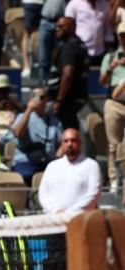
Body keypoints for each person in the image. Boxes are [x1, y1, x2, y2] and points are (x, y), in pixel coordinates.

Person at [38, 128, 101, 213]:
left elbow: (93, 194)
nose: (69, 144)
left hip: (81, 220)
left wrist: (69, 213)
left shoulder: (91, 165)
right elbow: (43, 193)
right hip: (54, 219)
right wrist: (55, 211)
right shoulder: (52, 166)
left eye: (73, 140)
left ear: (80, 142)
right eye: (66, 141)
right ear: (62, 144)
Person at [12, 87, 62, 184]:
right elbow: (18, 133)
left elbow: (60, 144)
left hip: (47, 161)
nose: (38, 100)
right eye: (35, 96)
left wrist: (57, 161)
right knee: (25, 176)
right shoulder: (22, 117)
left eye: (41, 97)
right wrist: (29, 109)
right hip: (25, 160)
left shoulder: (55, 122)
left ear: (46, 100)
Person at [99, 21, 125, 193]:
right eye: (122, 35)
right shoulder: (110, 57)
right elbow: (101, 83)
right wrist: (111, 68)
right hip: (115, 103)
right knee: (113, 145)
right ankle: (114, 180)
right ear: (117, 36)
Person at [51, 16, 89, 130]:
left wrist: (59, 100)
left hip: (68, 100)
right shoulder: (79, 44)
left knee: (68, 131)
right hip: (75, 97)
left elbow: (67, 74)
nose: (57, 28)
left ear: (73, 28)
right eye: (57, 26)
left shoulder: (71, 46)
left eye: (62, 26)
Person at [65, 0, 110, 66]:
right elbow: (67, 25)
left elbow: (107, 27)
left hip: (100, 51)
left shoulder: (105, 4)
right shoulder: (74, 3)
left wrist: (108, 47)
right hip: (80, 50)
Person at [37, 0, 66, 84]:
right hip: (46, 22)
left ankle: (59, 85)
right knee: (43, 59)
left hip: (62, 24)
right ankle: (43, 85)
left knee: (62, 58)